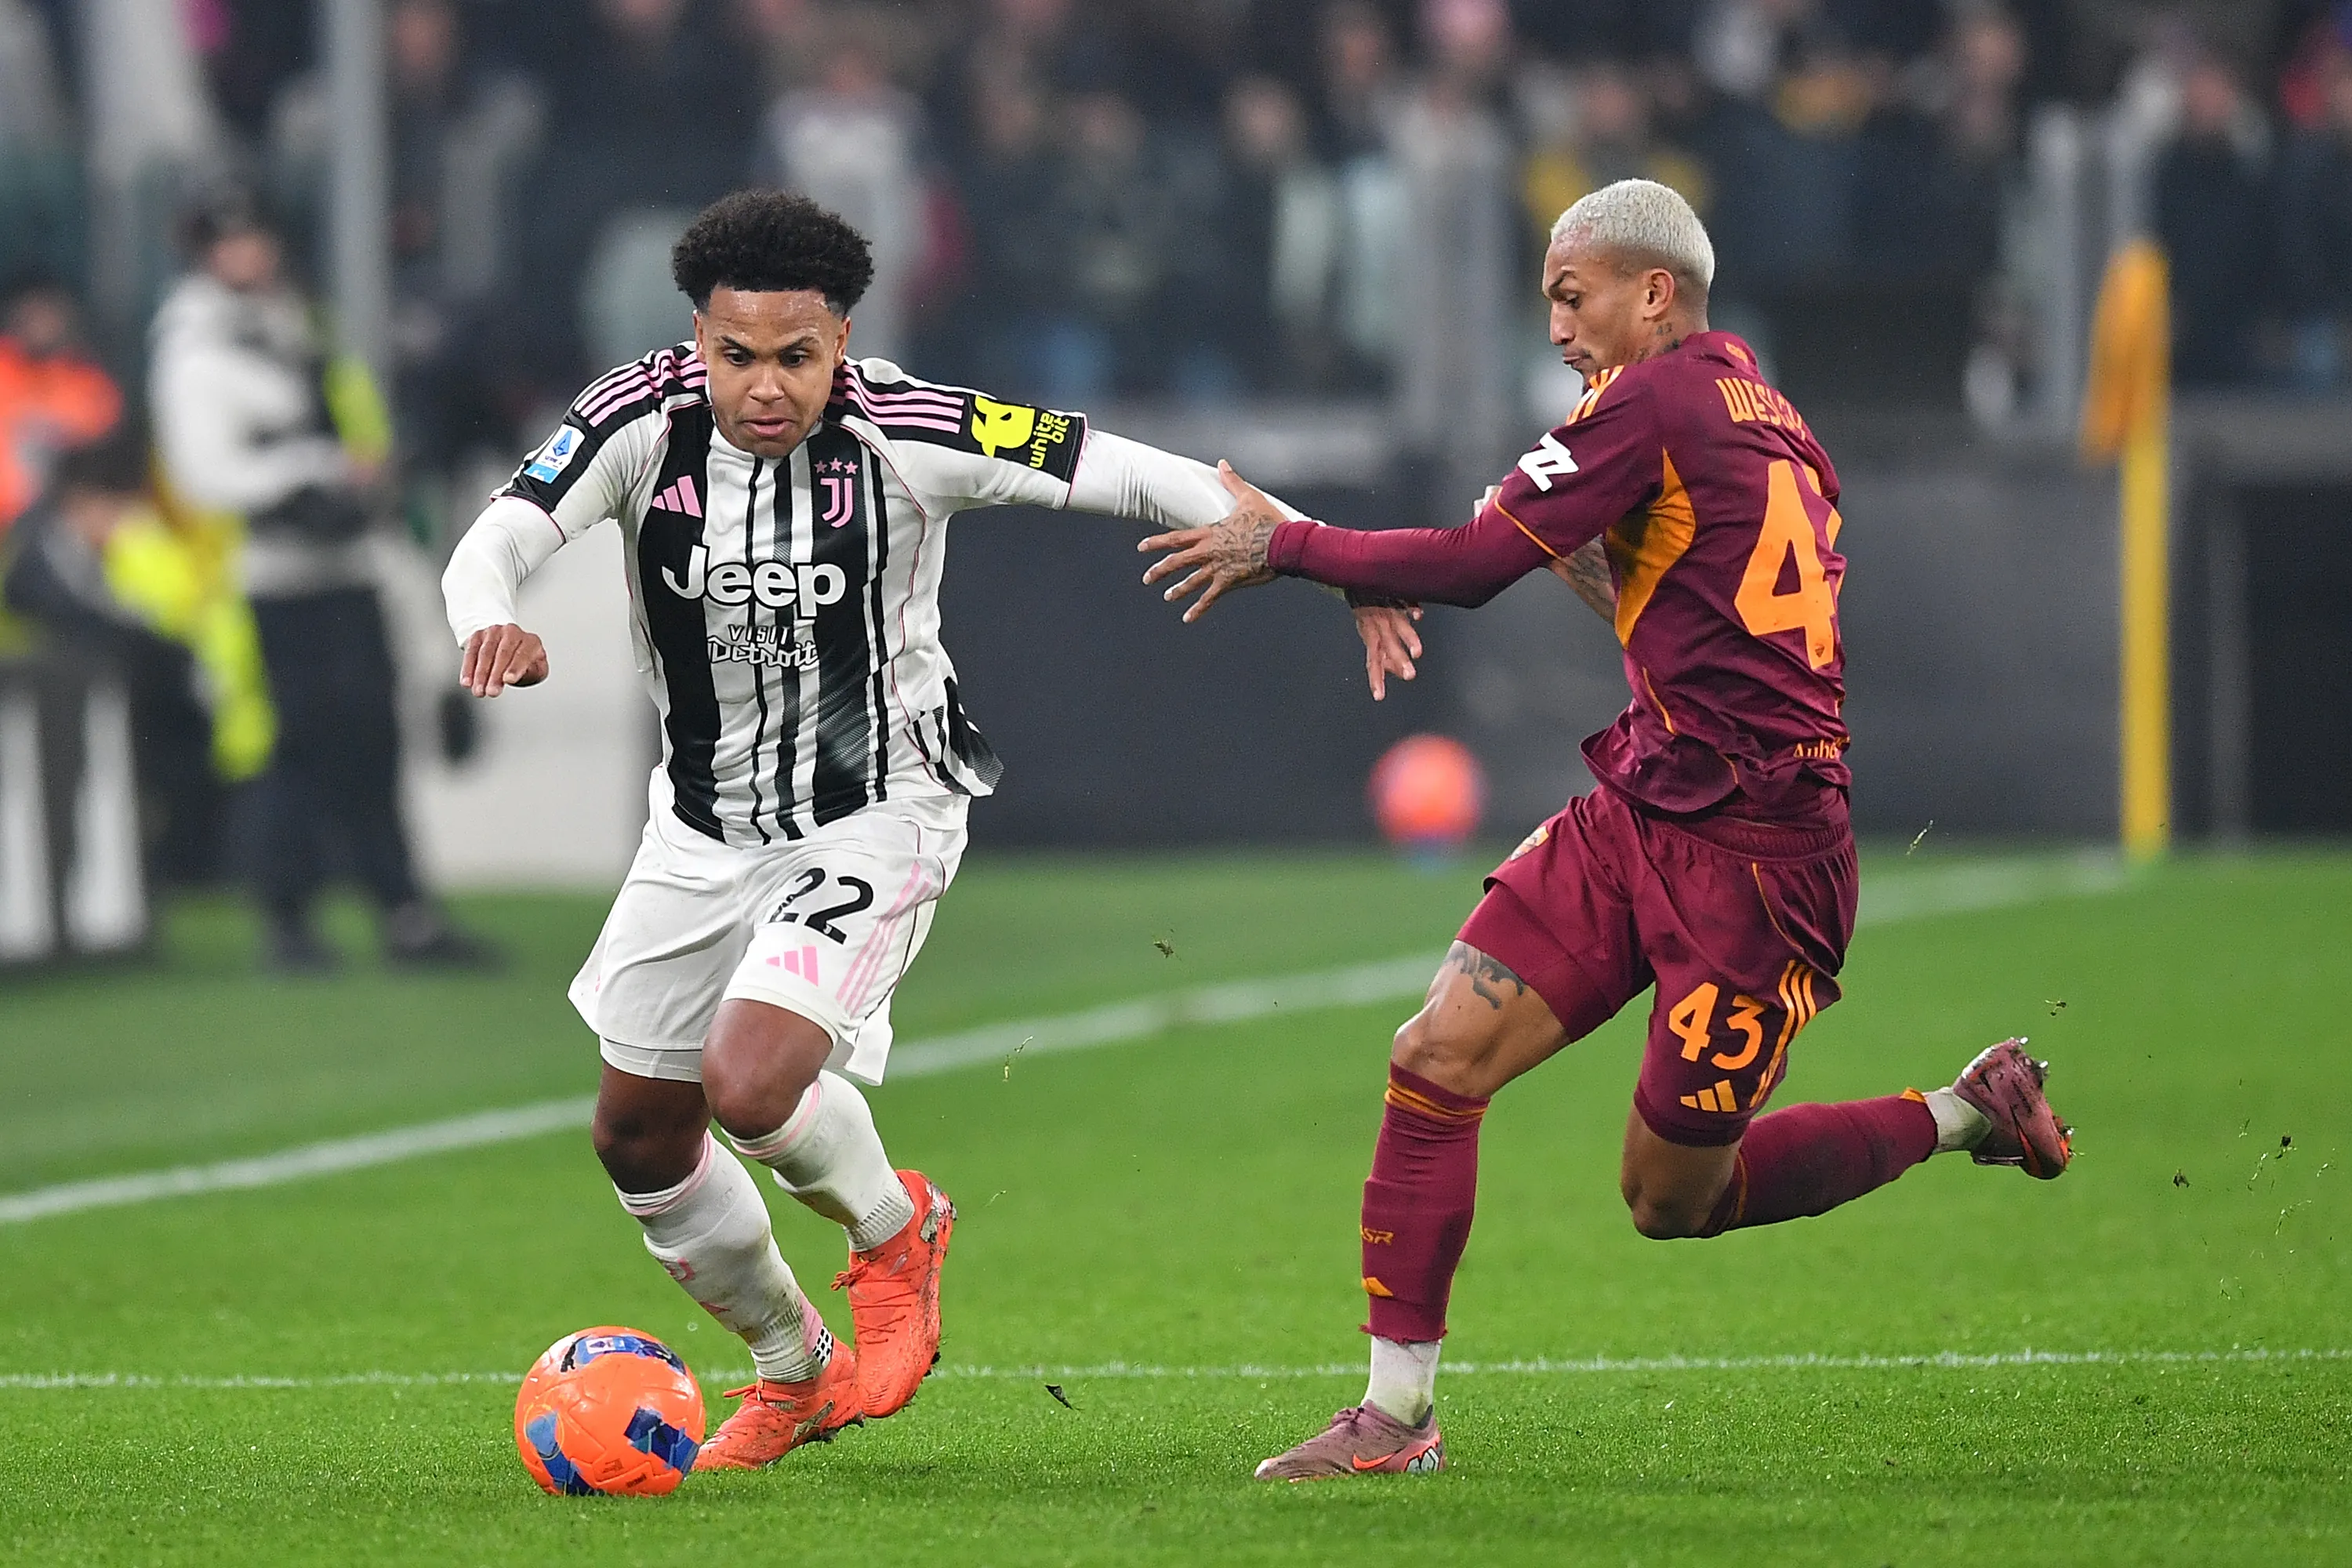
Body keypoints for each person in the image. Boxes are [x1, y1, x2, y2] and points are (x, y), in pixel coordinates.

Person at [441, 190, 1415, 1472]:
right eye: (739, 356)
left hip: (878, 812)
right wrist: (484, 619)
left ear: (843, 342)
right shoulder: (635, 416)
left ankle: (897, 1232)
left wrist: (1316, 553)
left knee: (750, 1080)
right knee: (638, 1137)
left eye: (798, 356)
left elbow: (1121, 467)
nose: (768, 386)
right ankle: (791, 1373)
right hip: (700, 827)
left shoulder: (911, 429)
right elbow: (497, 538)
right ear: (698, 336)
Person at [1139, 179, 2074, 1481]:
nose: (1561, 328)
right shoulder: (1770, 415)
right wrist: (1371, 567)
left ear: (1654, 293)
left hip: (1760, 864)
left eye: (1573, 299)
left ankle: (1964, 1112)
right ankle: (1394, 1424)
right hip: (1647, 801)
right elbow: (1673, 607)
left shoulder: (1654, 401)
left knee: (1670, 1199)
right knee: (1437, 1056)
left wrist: (1290, 544)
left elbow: (1472, 566)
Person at [150, 186, 492, 971]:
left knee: (371, 739)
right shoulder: (198, 347)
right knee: (297, 747)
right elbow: (209, 473)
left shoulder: (294, 324)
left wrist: (356, 476)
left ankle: (401, 907)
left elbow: (347, 428)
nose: (247, 255)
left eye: (255, 237)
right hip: (274, 577)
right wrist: (310, 476)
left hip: (345, 563)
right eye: (229, 242)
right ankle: (290, 914)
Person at [0, 276, 122, 537]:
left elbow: (108, 461)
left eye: (49, 314)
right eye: (32, 314)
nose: (41, 324)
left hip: (64, 528)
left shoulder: (88, 385)